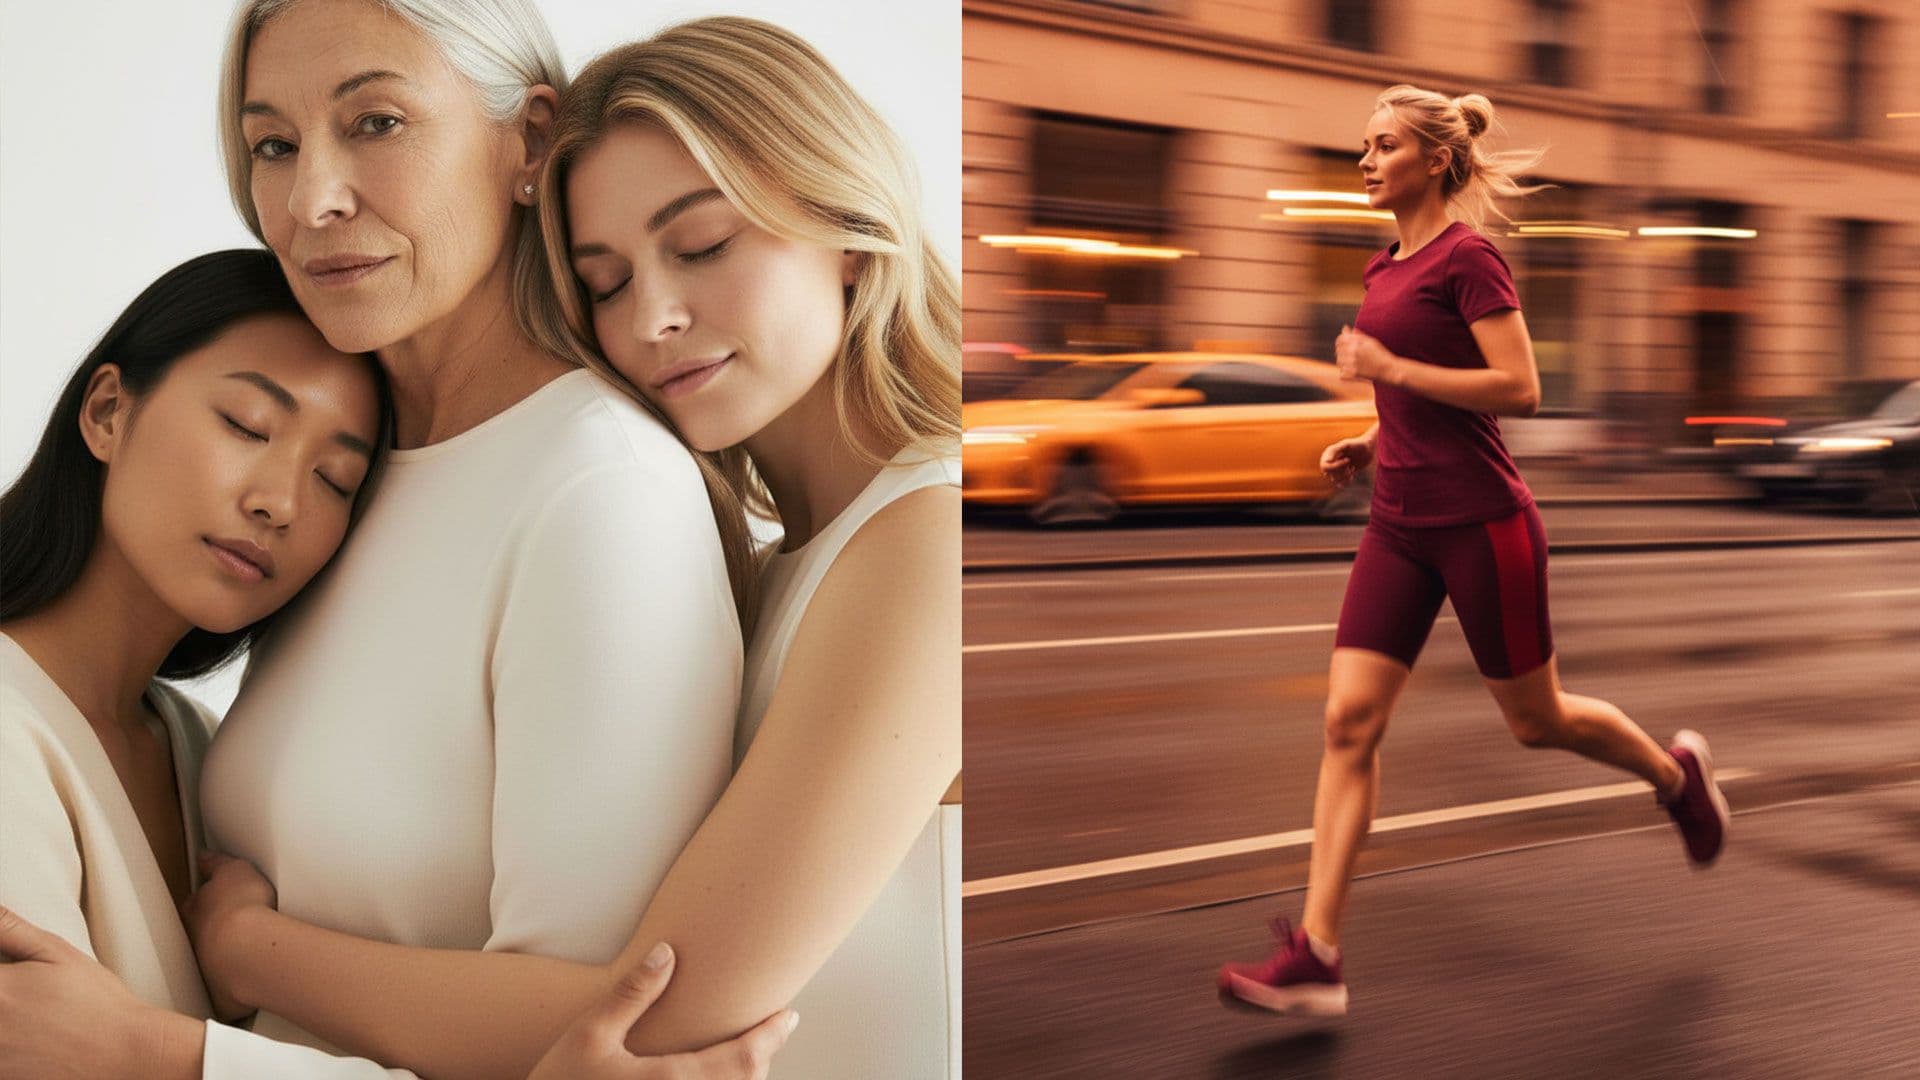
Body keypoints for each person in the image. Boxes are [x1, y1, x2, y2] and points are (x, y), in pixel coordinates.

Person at [101, 14, 953, 1080]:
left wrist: (240, 953)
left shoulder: (919, 542)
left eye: (701, 246)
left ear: (850, 224)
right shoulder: (784, 549)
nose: (653, 319)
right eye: (604, 281)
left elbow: (646, 1016)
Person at [1215, 85, 1730, 1017]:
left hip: (1483, 523)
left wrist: (1389, 369)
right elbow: (1417, 397)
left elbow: (1519, 388)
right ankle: (1319, 954)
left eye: (1384, 146)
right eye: (1363, 145)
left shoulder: (1471, 258)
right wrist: (1370, 440)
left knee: (1537, 720)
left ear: (1436, 161)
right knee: (1347, 723)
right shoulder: (1382, 268)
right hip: (1398, 526)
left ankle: (1673, 776)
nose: (1365, 161)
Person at [0, 249, 387, 1072]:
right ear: (107, 412)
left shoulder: (204, 749)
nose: (279, 503)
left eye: (335, 479)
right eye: (248, 426)